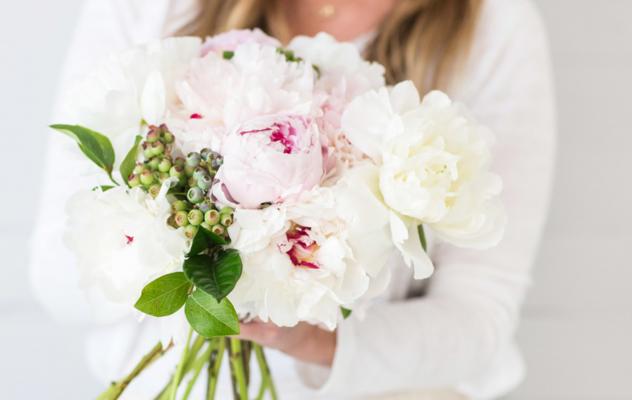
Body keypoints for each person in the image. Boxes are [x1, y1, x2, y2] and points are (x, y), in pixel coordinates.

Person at [30, 0, 556, 399]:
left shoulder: (489, 23)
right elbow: (56, 273)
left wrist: (315, 339)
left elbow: (481, 316)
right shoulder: (152, 10)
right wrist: (193, 256)